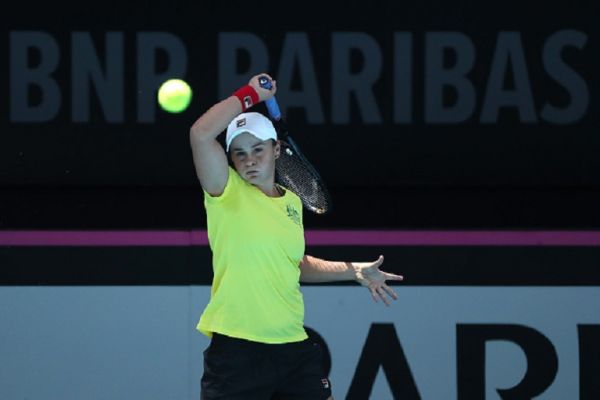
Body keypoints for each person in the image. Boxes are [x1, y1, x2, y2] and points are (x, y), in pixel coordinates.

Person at [189, 72, 404, 400]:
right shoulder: (225, 191)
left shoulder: (291, 202)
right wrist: (249, 94)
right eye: (240, 153)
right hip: (237, 352)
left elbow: (295, 265)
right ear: (230, 159)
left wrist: (353, 270)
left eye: (258, 149)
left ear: (276, 150)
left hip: (292, 347)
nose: (249, 160)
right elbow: (200, 134)